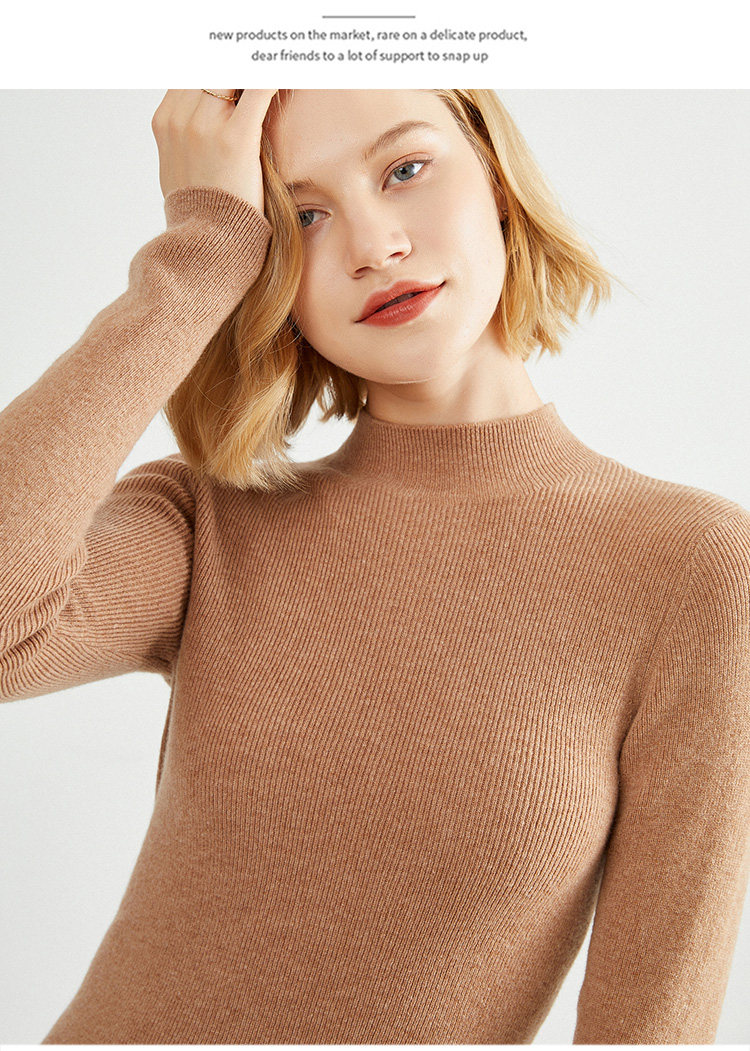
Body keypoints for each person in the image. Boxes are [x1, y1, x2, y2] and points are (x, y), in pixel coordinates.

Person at [0, 88, 748, 1045]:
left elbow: (652, 1026)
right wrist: (201, 250)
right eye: (302, 216)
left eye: (405, 169)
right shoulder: (211, 520)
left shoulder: (690, 564)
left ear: (498, 179)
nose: (373, 246)